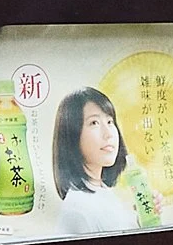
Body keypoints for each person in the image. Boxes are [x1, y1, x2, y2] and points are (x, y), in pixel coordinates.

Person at [51, 87, 141, 235]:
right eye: (94, 123)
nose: (108, 134)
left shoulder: (103, 192)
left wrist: (145, 219)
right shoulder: (77, 211)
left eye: (110, 121)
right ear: (72, 137)